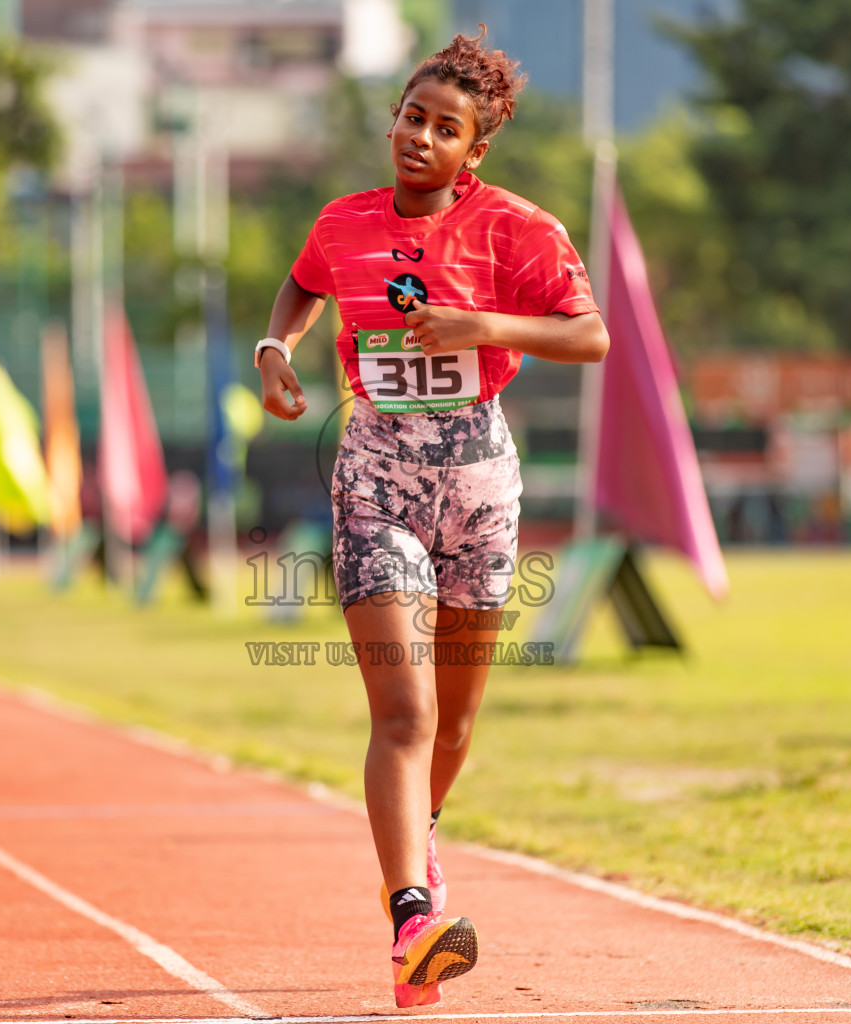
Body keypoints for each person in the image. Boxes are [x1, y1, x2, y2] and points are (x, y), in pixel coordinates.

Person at [255, 28, 609, 1008]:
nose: (417, 136)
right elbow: (303, 284)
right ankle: (413, 912)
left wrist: (482, 326)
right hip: (377, 480)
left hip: (480, 486)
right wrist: (275, 349)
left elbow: (592, 335)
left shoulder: (519, 231)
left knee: (453, 722)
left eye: (443, 127)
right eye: (411, 116)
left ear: (473, 151)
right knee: (403, 713)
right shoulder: (345, 222)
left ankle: (422, 838)